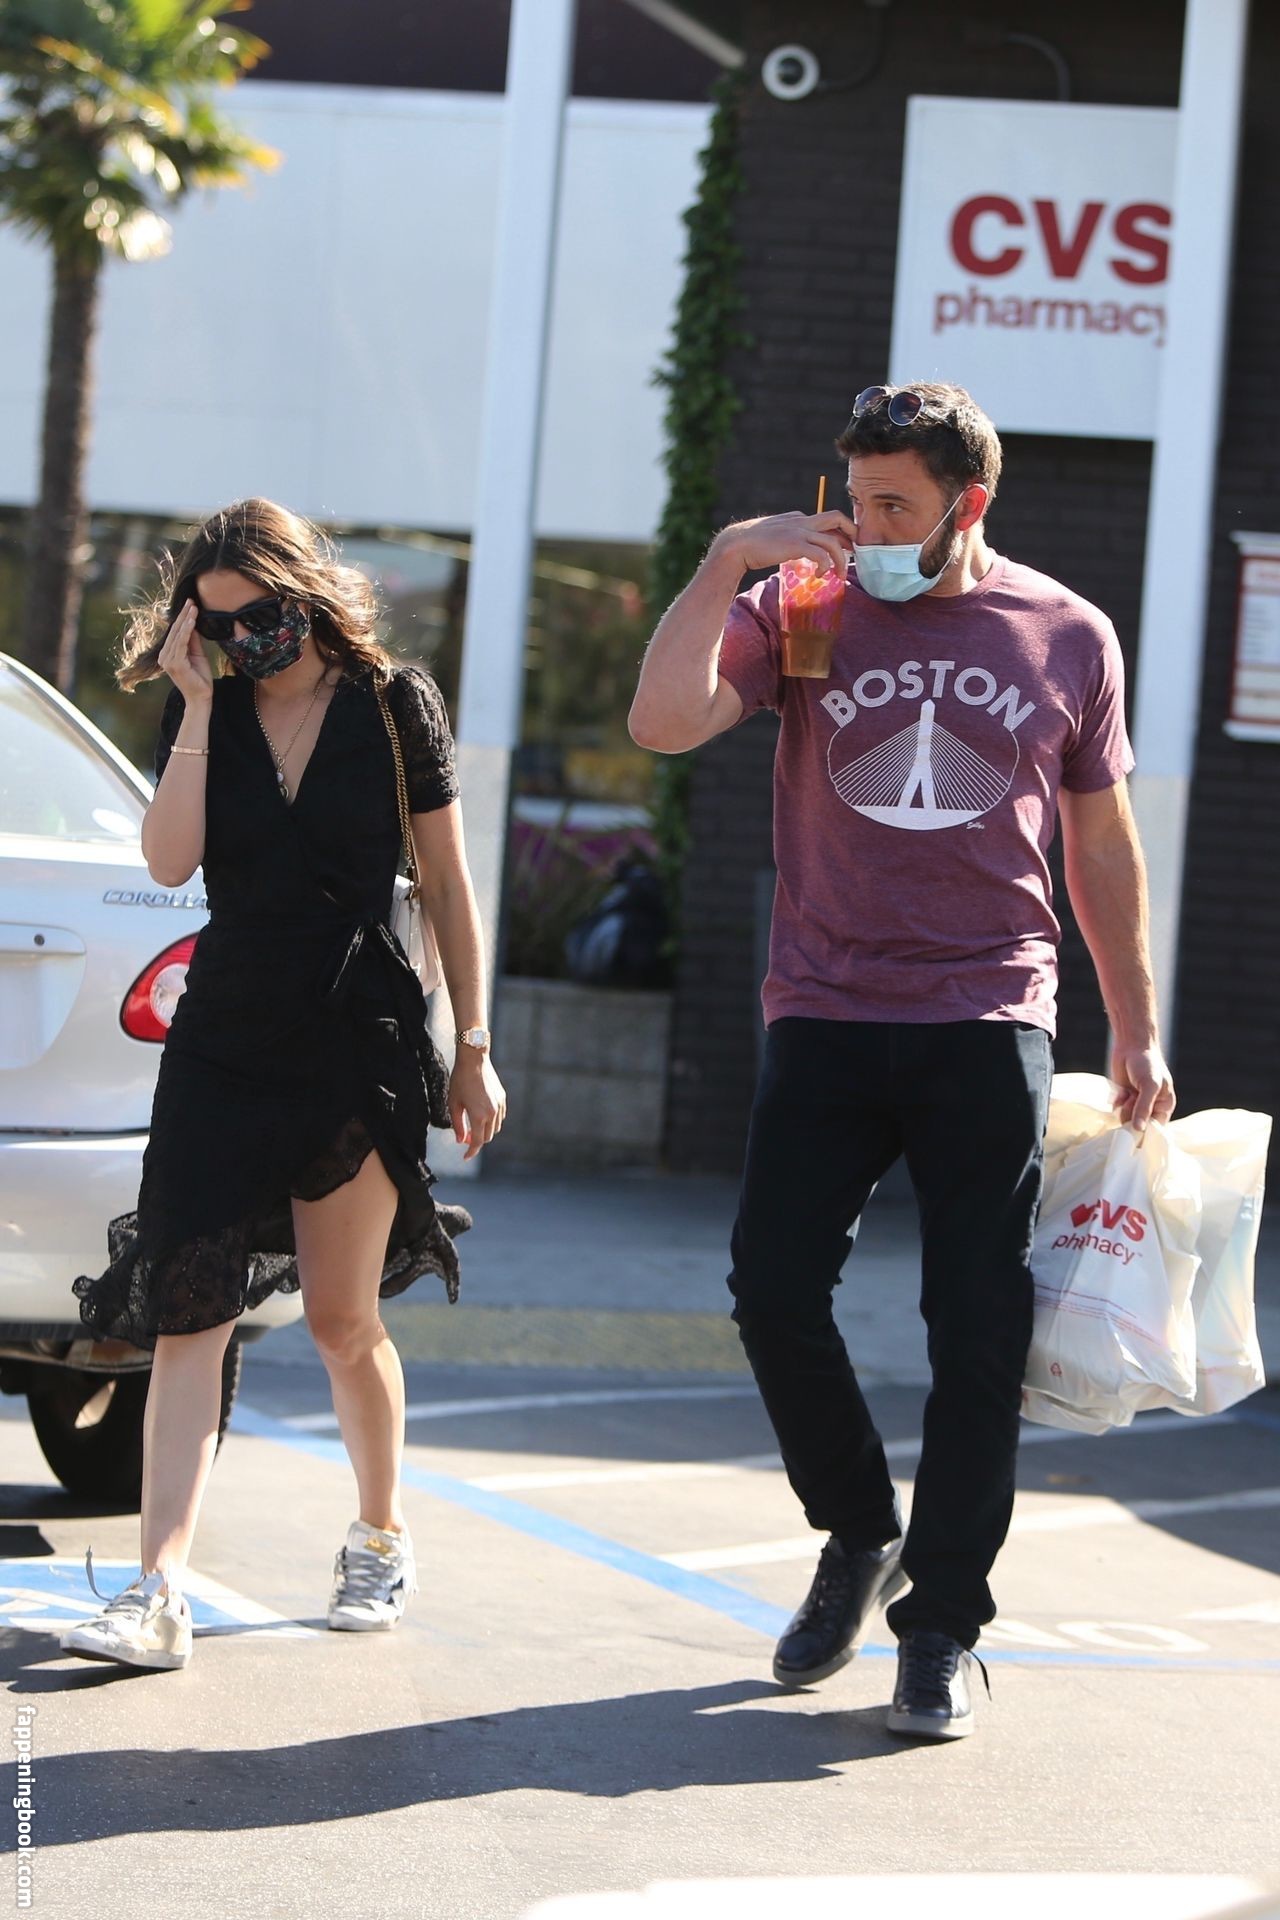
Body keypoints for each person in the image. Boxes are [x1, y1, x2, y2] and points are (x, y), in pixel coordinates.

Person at [629, 381, 1174, 1740]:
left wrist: (1137, 1022)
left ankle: (940, 1630)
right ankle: (857, 1527)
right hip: (823, 1003)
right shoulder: (804, 605)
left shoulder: (1065, 633)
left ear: (965, 506)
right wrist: (725, 563)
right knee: (771, 1289)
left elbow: (1100, 843)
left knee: (976, 1331)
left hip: (987, 1014)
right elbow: (662, 723)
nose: (864, 527)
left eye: (894, 506)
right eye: (856, 497)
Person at [62, 498, 505, 1672]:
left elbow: (448, 884)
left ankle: (379, 1533)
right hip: (225, 1039)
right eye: (214, 623)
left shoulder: (392, 704)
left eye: (255, 615)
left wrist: (471, 1044)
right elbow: (169, 862)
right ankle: (158, 1590)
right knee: (187, 1313)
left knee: (340, 1320)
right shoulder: (203, 708)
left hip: (356, 1038)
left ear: (304, 592)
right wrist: (198, 701)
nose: (240, 638)